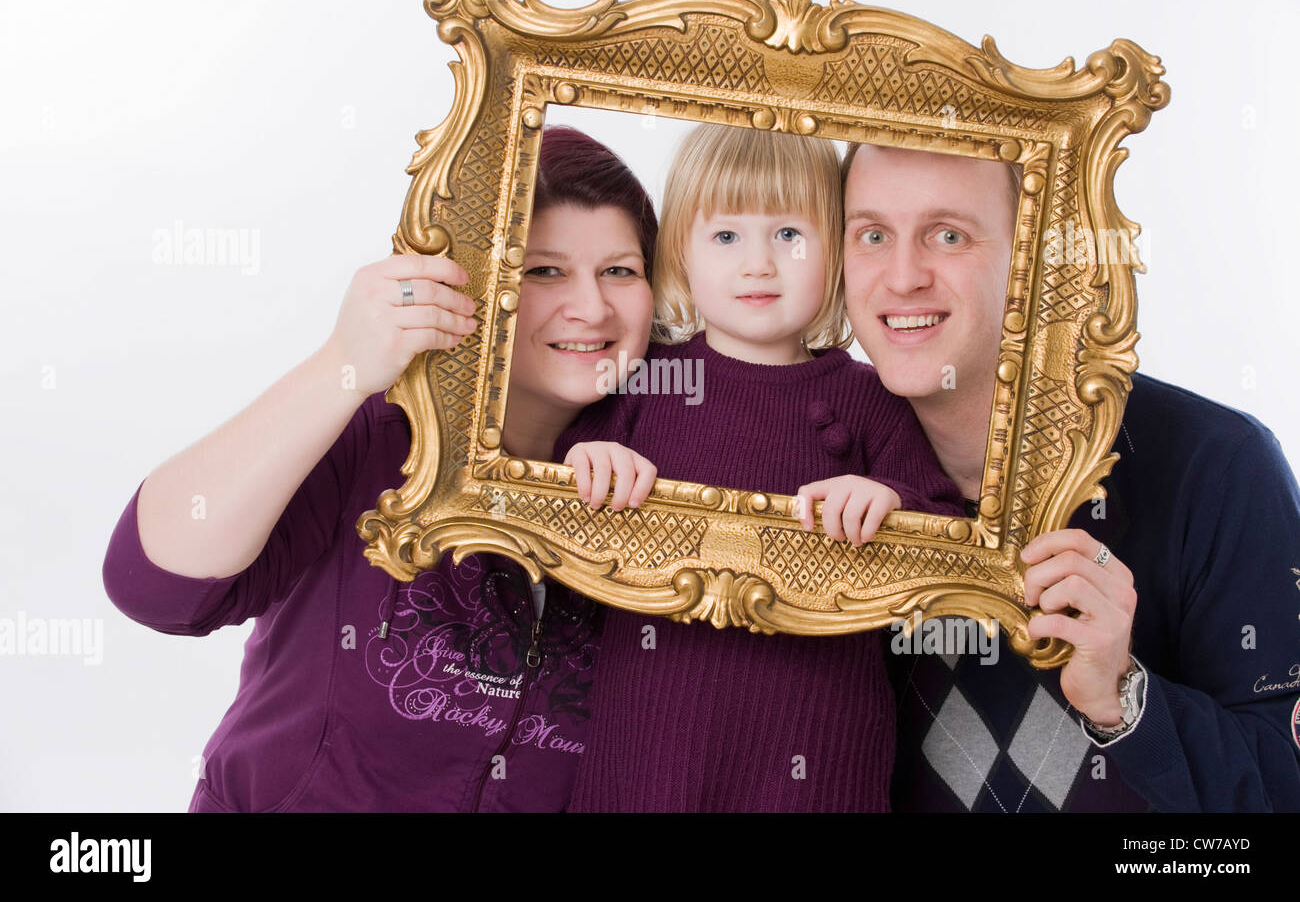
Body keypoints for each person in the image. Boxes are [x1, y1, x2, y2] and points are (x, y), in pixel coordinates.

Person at [100, 126, 659, 812]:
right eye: (543, 270)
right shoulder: (377, 432)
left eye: (620, 270)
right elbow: (154, 585)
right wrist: (343, 363)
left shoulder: (666, 471)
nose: (592, 308)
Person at [841, 141, 1300, 811]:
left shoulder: (1217, 465)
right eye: (873, 235)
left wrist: (1126, 698)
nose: (903, 276)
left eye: (949, 235)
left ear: (1034, 258)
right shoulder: (815, 466)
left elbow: (1283, 785)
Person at [554, 123, 965, 812]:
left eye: (789, 235)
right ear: (680, 253)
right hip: (648, 757)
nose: (758, 265)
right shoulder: (645, 381)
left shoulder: (871, 399)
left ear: (836, 252)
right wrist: (587, 460)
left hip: (817, 763)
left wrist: (889, 503)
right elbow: (551, 504)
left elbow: (949, 528)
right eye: (726, 236)